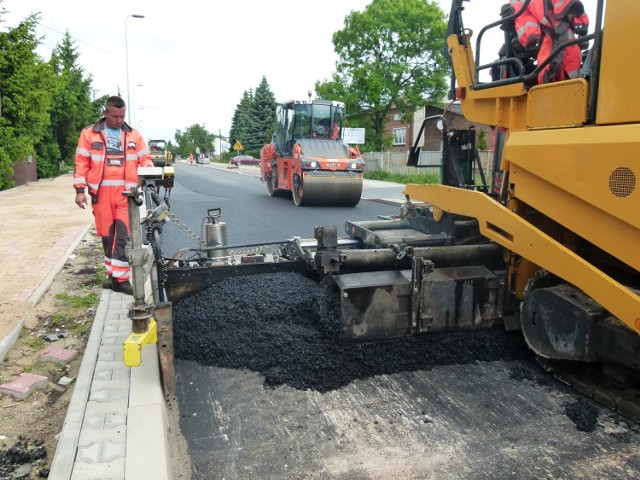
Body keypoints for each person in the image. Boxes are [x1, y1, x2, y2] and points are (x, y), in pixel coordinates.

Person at [73, 96, 154, 295]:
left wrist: (149, 170)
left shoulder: (133, 135)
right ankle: (112, 276)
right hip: (101, 194)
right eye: (115, 116)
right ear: (105, 113)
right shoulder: (89, 134)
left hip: (126, 194)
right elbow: (81, 162)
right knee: (107, 236)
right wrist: (80, 191)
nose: (119, 120)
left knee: (123, 236)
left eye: (122, 116)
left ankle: (121, 279)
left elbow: (145, 158)